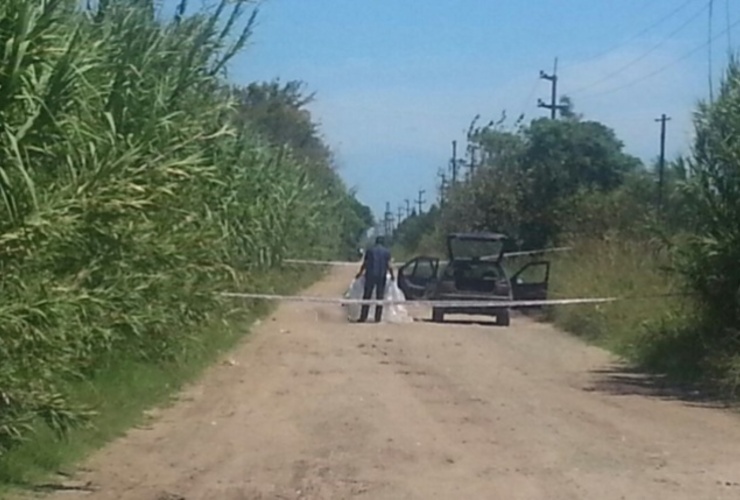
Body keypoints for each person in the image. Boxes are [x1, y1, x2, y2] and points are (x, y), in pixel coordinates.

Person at [355, 236, 394, 323]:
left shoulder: (370, 251)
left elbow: (365, 264)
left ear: (375, 242)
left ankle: (363, 317)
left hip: (370, 275)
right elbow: (389, 265)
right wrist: (392, 275)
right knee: (379, 297)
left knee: (367, 296)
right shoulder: (387, 252)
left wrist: (360, 273)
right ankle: (377, 318)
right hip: (381, 276)